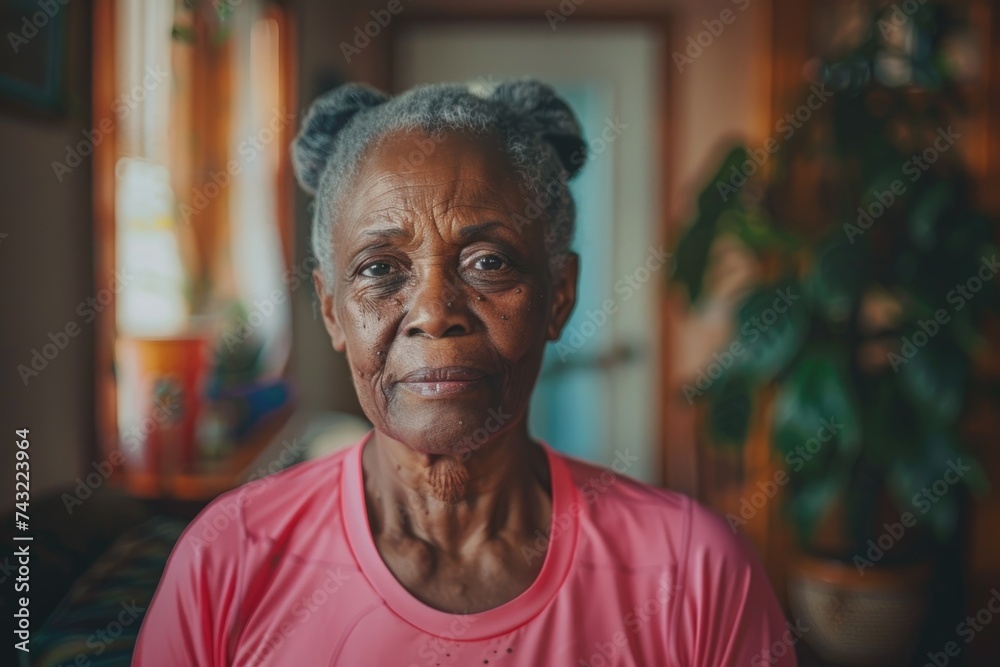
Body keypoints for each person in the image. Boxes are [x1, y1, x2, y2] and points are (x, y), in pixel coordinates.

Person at [133, 79, 796, 666]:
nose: (434, 312)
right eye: (379, 268)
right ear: (333, 312)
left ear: (557, 296)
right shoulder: (229, 559)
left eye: (488, 262)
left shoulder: (694, 572)